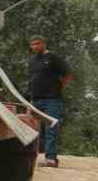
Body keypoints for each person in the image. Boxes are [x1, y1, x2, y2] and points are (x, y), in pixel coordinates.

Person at [25, 35, 71, 167]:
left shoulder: (53, 58)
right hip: (35, 100)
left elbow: (67, 74)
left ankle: (51, 158)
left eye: (37, 44)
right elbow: (32, 78)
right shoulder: (32, 60)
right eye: (32, 44)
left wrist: (58, 88)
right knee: (33, 129)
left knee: (51, 128)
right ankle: (30, 157)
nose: (35, 46)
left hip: (52, 100)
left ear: (44, 44)